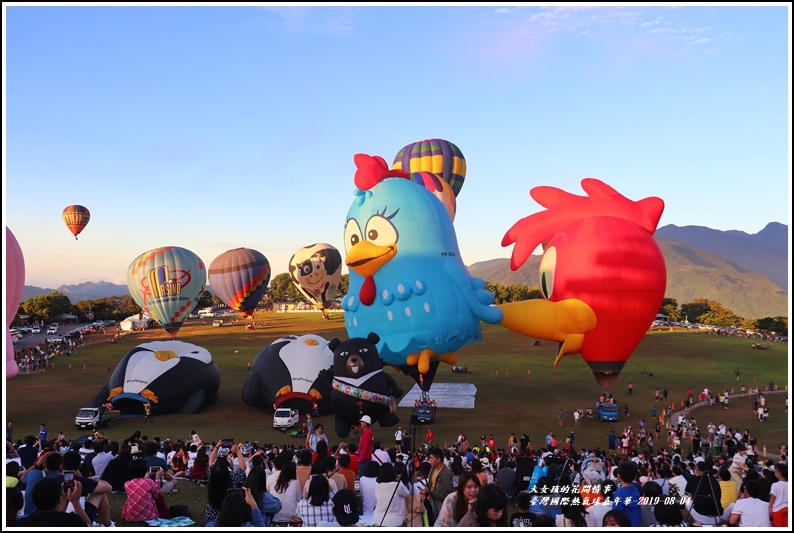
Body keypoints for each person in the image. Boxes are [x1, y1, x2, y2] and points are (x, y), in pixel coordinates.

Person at [16, 476, 90, 527]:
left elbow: (56, 516)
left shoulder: (22, 523)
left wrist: (64, 499)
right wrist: (75, 501)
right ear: (59, 499)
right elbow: (88, 525)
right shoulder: (72, 521)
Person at [120, 458, 164, 522]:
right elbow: (156, 491)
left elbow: (139, 486)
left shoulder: (127, 484)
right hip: (148, 516)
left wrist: (145, 478)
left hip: (130, 517)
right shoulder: (149, 482)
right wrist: (157, 478)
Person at [685, 461, 723, 525]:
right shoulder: (714, 481)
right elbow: (718, 495)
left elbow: (690, 497)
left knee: (687, 501)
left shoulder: (692, 480)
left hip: (701, 515)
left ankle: (697, 521)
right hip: (717, 515)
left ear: (697, 471)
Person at [373, 462, 410, 527]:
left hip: (377, 519)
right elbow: (407, 494)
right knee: (402, 496)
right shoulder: (398, 485)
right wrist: (399, 481)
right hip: (394, 520)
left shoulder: (377, 485)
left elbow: (377, 497)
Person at [269, 459, 302, 525]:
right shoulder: (295, 482)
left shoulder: (274, 481)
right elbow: (298, 499)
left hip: (276, 517)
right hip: (291, 518)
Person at [426, 446, 455, 521]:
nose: (429, 460)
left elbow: (446, 495)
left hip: (439, 507)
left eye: (432, 458)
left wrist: (430, 492)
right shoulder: (432, 469)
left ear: (438, 460)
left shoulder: (445, 474)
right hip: (431, 501)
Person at [612, 461, 642, 527]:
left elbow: (615, 516)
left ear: (618, 475)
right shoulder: (636, 491)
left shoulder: (618, 494)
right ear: (634, 477)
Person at [769, 462, 788, 527]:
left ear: (779, 474)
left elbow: (773, 497)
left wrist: (770, 507)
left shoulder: (775, 485)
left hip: (777, 509)